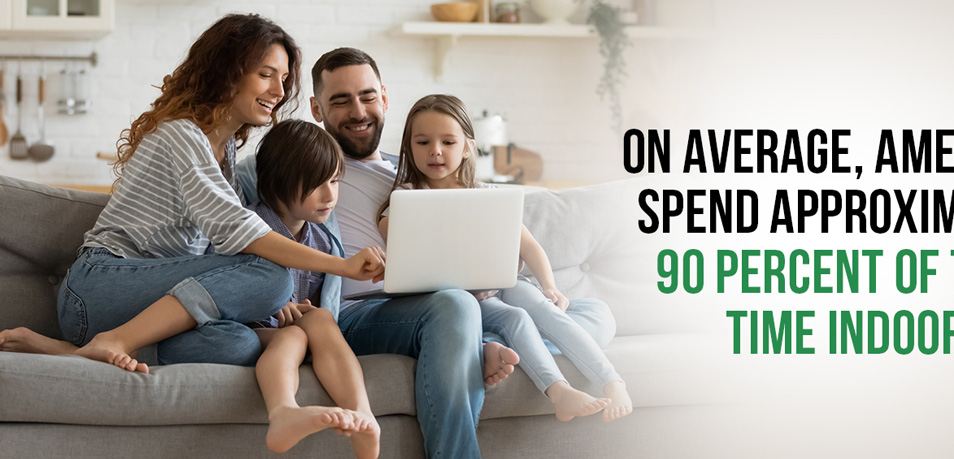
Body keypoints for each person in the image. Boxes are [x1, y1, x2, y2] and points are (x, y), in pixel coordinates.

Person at [0, 15, 384, 373]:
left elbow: (229, 241)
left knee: (239, 344)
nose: (279, 91)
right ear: (227, 73)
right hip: (99, 288)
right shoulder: (180, 135)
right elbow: (241, 233)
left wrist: (272, 304)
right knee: (273, 276)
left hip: (147, 305)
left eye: (283, 78)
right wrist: (344, 266)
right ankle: (114, 339)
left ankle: (75, 351)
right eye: (266, 74)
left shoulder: (227, 153)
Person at [307, 48, 620, 457]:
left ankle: (478, 344)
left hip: (445, 302)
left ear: (384, 98)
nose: (358, 110)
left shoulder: (414, 169)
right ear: (316, 108)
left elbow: (479, 236)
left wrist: (498, 270)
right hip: (365, 310)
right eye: (340, 100)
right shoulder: (311, 168)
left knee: (594, 316)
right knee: (458, 305)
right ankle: (475, 353)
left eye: (366, 96)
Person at [377, 94, 633, 423]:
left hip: (505, 283)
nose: (435, 151)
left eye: (448, 141)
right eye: (423, 142)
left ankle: (613, 382)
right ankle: (559, 390)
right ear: (409, 146)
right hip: (464, 300)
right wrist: (395, 222)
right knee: (517, 319)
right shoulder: (407, 200)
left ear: (468, 146)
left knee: (540, 306)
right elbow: (399, 248)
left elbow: (530, 247)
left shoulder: (487, 195)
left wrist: (550, 286)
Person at [245, 120, 379, 458]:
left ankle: (363, 416)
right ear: (277, 184)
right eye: (317, 184)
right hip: (252, 330)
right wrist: (269, 303)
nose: (330, 195)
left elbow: (316, 304)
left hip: (299, 330)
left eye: (334, 181)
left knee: (319, 321)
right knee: (295, 336)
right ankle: (284, 412)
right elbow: (226, 286)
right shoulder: (249, 227)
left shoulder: (322, 240)